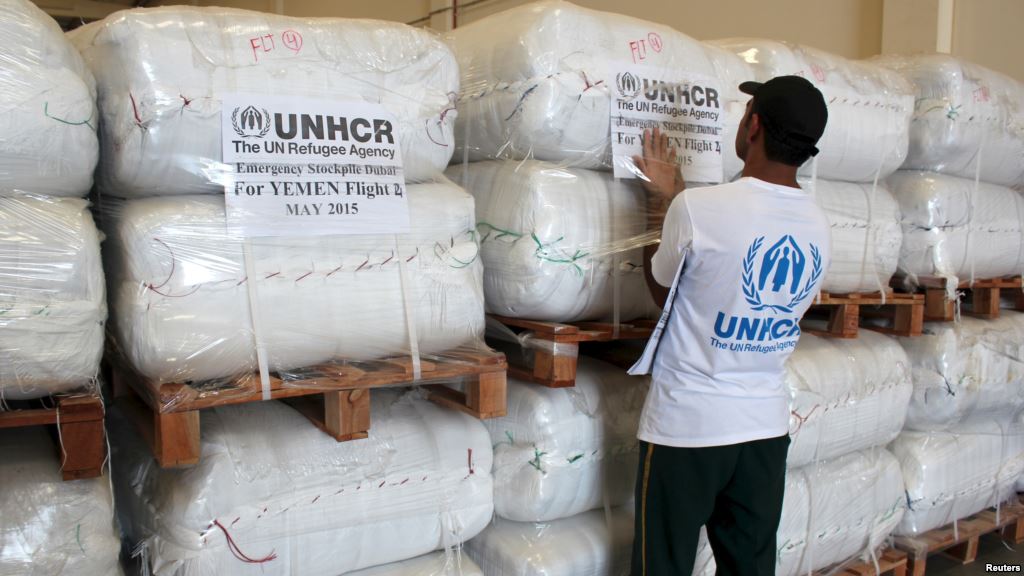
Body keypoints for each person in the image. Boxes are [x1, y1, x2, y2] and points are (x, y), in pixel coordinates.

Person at [628, 76, 832, 575]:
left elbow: (661, 292)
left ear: (753, 125)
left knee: (663, 566)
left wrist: (662, 199)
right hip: (764, 430)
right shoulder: (819, 225)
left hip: (688, 428)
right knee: (750, 567)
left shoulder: (698, 208)